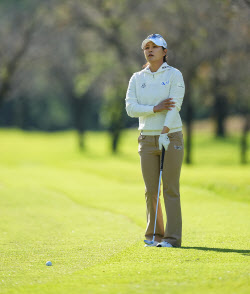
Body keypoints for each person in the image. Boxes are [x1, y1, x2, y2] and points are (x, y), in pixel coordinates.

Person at [125, 34, 185, 248]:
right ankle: (155, 236)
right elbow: (131, 108)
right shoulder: (137, 78)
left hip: (171, 137)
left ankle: (172, 238)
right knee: (151, 190)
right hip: (146, 139)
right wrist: (154, 108)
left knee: (170, 188)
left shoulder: (174, 75)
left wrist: (165, 131)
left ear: (164, 52)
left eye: (154, 47)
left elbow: (174, 106)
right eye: (146, 47)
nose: (149, 50)